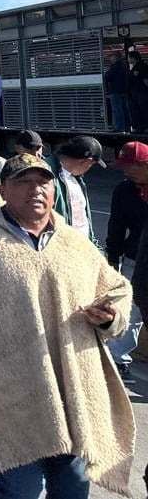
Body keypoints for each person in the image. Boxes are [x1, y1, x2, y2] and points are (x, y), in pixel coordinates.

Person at [0, 153, 135, 498]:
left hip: (73, 385)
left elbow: (116, 289)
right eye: (23, 182)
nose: (36, 190)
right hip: (8, 388)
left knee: (72, 485)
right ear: (4, 188)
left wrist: (110, 317)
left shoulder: (73, 242)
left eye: (43, 182)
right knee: (20, 490)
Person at [106, 142, 148, 386]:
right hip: (135, 260)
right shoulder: (124, 191)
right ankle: (117, 360)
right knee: (132, 313)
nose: (126, 172)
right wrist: (113, 257)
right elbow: (116, 226)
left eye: (130, 167)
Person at [47, 135, 102, 247]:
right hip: (62, 251)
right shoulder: (46, 175)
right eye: (92, 165)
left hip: (82, 250)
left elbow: (85, 221)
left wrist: (97, 250)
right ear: (88, 161)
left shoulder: (77, 179)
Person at [105, 49, 132, 133]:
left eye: (111, 57)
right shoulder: (124, 66)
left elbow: (109, 77)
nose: (110, 59)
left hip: (115, 91)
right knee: (124, 110)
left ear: (115, 57)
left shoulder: (114, 67)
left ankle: (119, 128)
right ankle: (127, 127)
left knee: (117, 110)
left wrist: (106, 74)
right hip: (123, 91)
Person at [131, 50, 148, 133]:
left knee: (144, 110)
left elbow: (145, 80)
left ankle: (145, 128)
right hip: (136, 93)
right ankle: (140, 128)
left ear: (133, 58)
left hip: (142, 93)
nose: (128, 59)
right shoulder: (134, 67)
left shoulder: (142, 66)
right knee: (138, 111)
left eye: (129, 57)